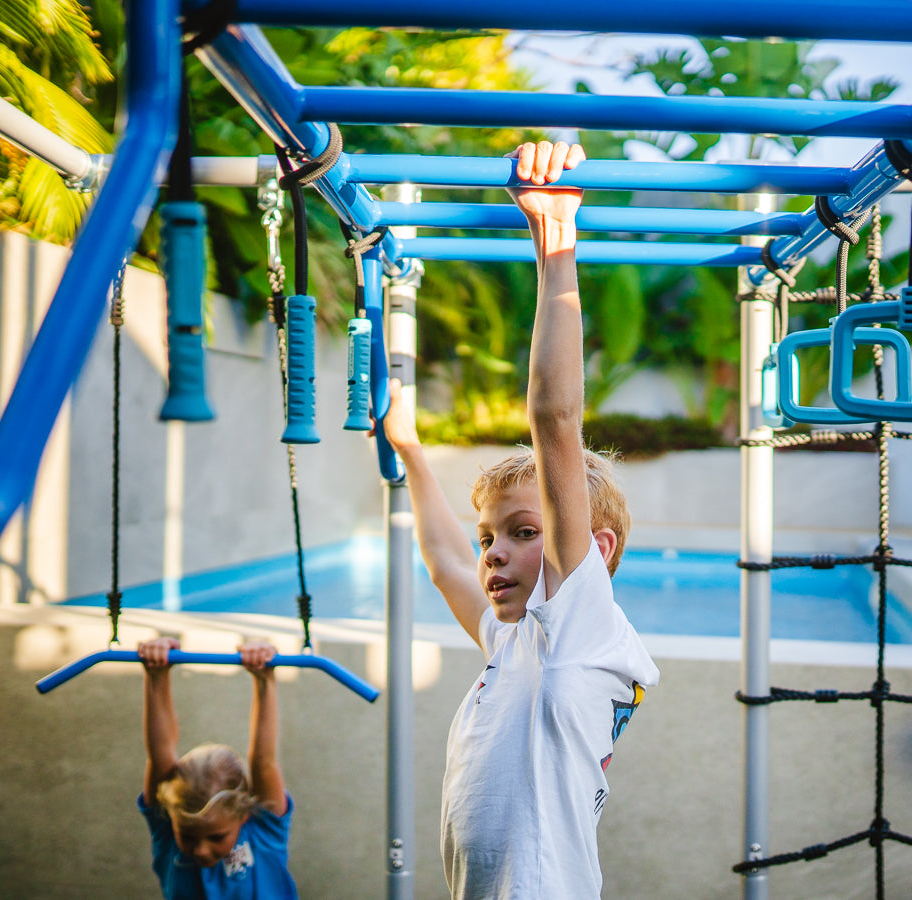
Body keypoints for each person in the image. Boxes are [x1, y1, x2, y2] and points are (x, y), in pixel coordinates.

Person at [377, 140, 660, 899]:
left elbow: (556, 419)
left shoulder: (582, 628)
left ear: (592, 552)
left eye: (524, 532)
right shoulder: (516, 640)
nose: (494, 555)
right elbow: (441, 558)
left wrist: (555, 245)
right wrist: (409, 448)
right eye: (491, 537)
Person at [137, 636, 298, 899]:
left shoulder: (263, 831)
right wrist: (156, 675)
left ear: (244, 814)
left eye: (216, 837)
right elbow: (160, 754)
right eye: (188, 836)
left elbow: (263, 761)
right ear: (172, 818)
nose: (200, 850)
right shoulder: (166, 827)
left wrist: (264, 679)